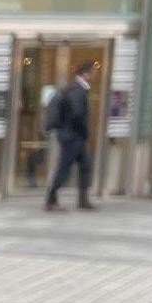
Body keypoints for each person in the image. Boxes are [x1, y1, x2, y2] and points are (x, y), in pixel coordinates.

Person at [44, 60, 97, 212]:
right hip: (72, 136)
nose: (94, 75)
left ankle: (83, 199)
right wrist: (85, 131)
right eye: (93, 72)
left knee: (85, 165)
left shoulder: (76, 88)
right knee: (64, 168)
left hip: (72, 134)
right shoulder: (77, 90)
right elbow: (77, 114)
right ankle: (50, 199)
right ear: (85, 73)